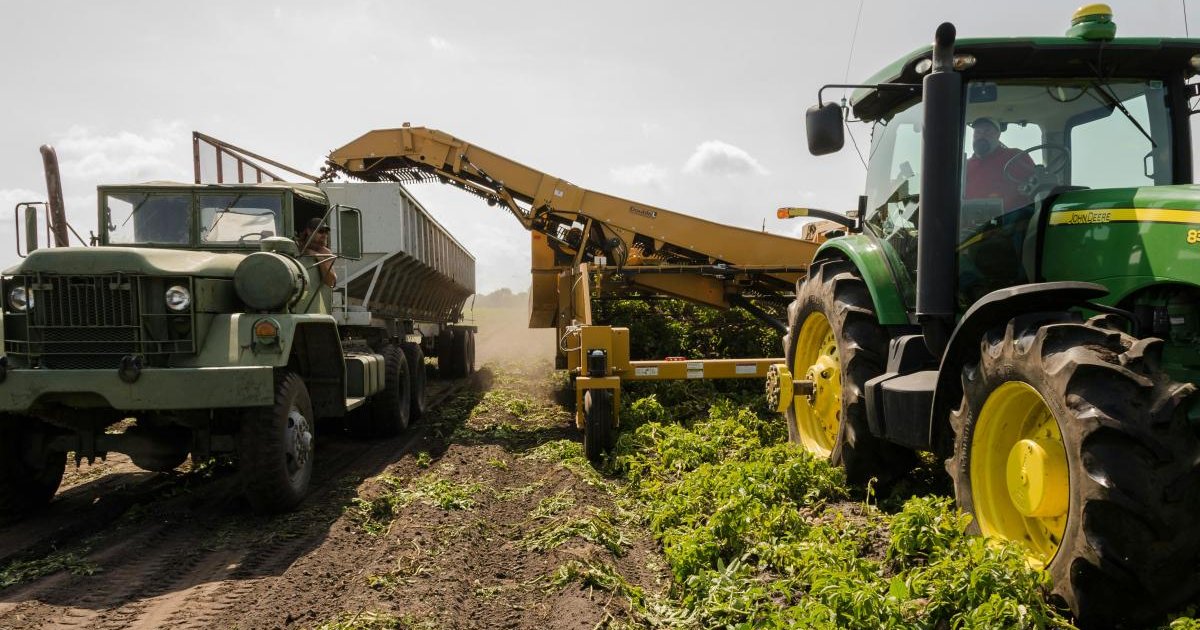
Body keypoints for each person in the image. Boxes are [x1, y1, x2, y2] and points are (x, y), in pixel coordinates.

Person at [964, 117, 1036, 211]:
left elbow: (1036, 184)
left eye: (987, 131)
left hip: (1014, 217)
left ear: (998, 135)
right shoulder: (965, 166)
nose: (982, 136)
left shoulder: (1016, 156)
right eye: (978, 132)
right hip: (972, 218)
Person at [297, 217, 337, 287]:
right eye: (321, 231)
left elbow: (331, 282)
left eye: (326, 232)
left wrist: (320, 258)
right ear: (309, 231)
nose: (324, 235)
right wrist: (307, 251)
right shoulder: (296, 245)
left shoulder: (325, 252)